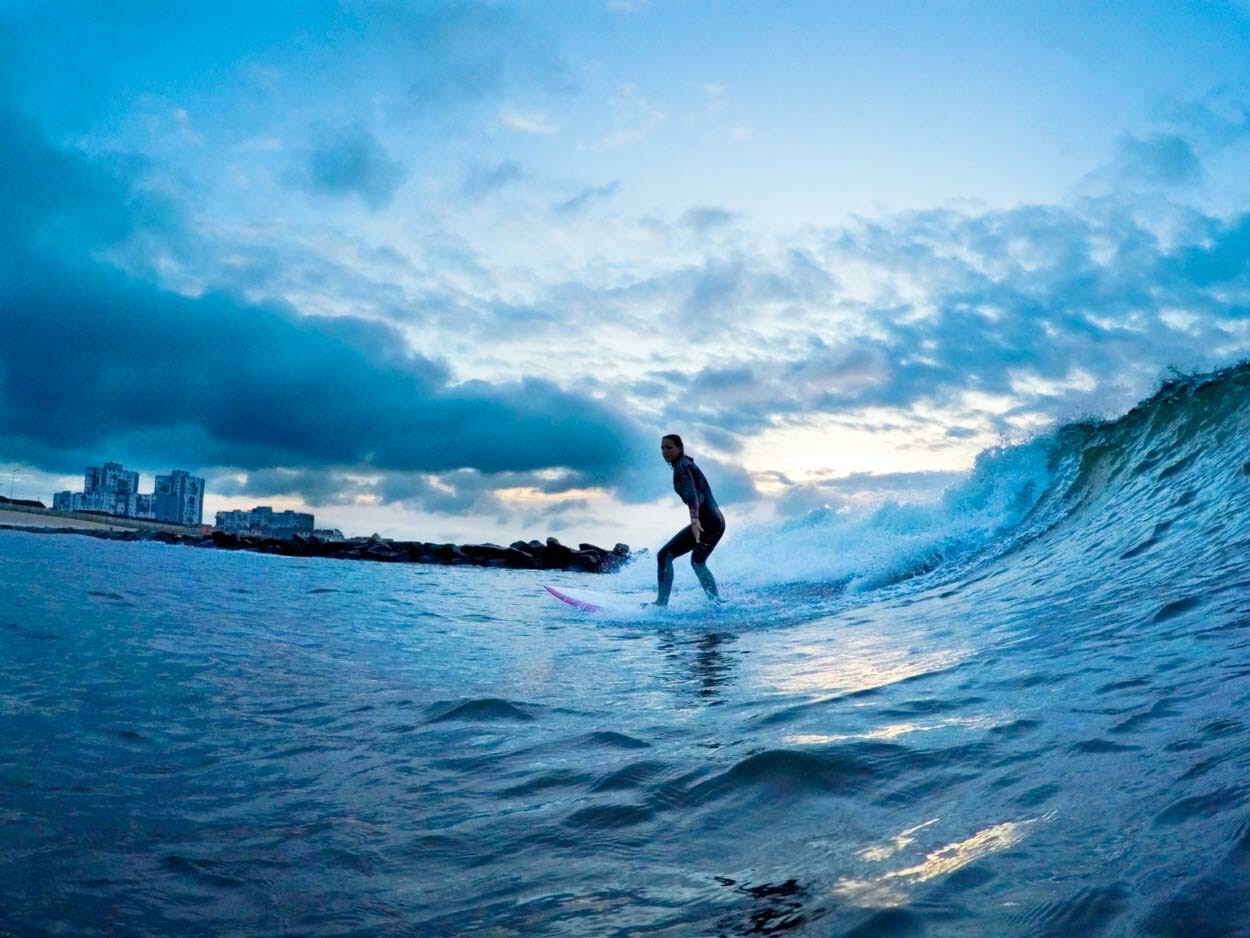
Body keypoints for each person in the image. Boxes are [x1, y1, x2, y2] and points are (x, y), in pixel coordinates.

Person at [650, 434, 725, 606]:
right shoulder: (687, 463)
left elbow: (693, 495)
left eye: (669, 447)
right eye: (662, 448)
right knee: (698, 562)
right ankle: (716, 602)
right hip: (717, 521)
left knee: (664, 556)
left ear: (680, 448)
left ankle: (661, 603)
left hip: (706, 521)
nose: (664, 451)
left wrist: (694, 520)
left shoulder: (681, 467)